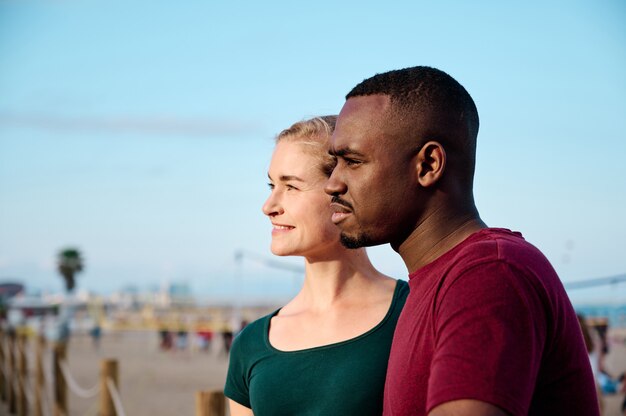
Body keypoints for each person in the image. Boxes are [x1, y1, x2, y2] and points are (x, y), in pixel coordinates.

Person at [324, 66, 599, 415]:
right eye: (335, 162)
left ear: (428, 164)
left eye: (353, 161)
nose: (332, 183)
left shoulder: (490, 275)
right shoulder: (440, 281)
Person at [224, 116, 408, 416]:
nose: (269, 206)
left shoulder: (414, 314)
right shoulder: (251, 344)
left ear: (342, 190)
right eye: (272, 185)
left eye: (291, 187)